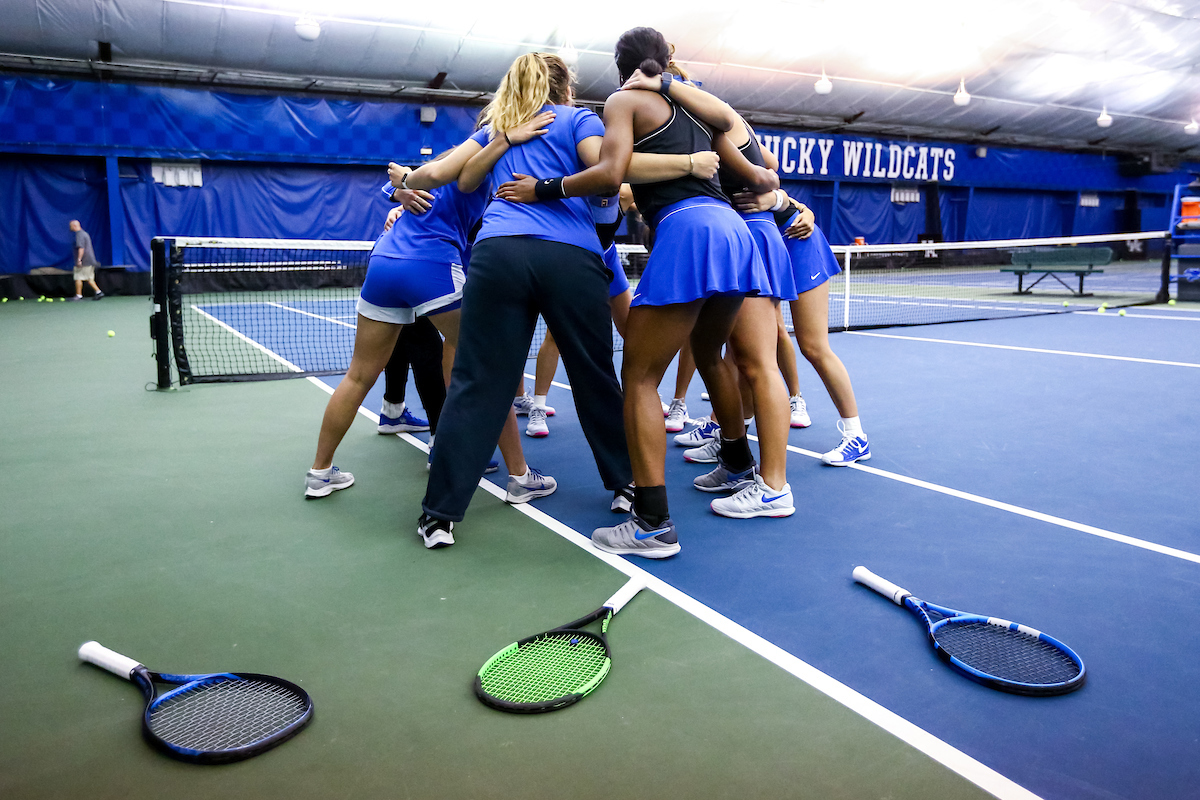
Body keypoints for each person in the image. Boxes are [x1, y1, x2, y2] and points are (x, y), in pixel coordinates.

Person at [498, 28, 789, 556]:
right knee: (710, 353)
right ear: (666, 59)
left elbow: (609, 174)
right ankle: (738, 464)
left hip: (688, 231)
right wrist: (778, 201)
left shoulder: (623, 101)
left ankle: (652, 524)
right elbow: (760, 173)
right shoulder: (699, 105)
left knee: (638, 378)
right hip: (734, 233)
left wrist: (541, 188)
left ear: (620, 64)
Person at [411, 53, 635, 549]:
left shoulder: (497, 127)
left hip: (497, 257)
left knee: (475, 383)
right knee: (595, 375)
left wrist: (500, 144)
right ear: (566, 86)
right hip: (570, 260)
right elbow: (609, 171)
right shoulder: (578, 119)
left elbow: (462, 180)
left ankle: (438, 516)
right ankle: (627, 488)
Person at [305, 141, 558, 522]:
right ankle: (520, 478)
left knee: (358, 375)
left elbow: (397, 182)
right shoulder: (485, 174)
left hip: (384, 262)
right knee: (492, 371)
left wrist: (395, 192)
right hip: (432, 267)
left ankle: (320, 474)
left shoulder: (437, 171)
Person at [734, 190, 870, 465]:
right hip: (764, 251)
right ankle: (732, 435)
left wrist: (800, 210)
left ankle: (856, 437)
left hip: (799, 243)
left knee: (814, 346)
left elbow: (778, 188)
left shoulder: (737, 156)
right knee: (748, 351)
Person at [68, 220, 103, 300]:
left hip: (85, 261)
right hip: (90, 260)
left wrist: (79, 259)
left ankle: (78, 295)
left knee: (78, 277)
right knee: (90, 278)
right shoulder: (85, 234)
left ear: (74, 226)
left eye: (70, 226)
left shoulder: (79, 235)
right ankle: (99, 292)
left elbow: (81, 248)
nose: (70, 228)